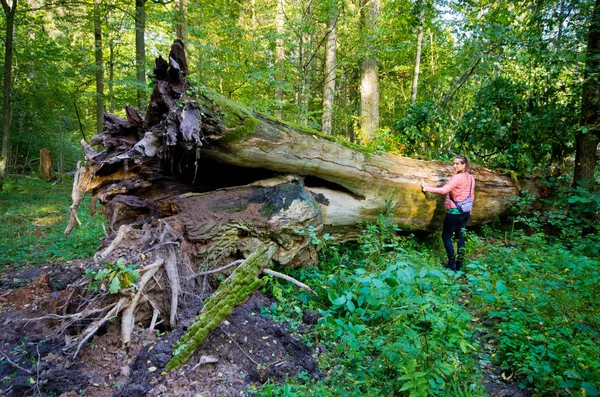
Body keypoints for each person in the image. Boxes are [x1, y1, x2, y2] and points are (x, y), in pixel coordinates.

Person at [421, 156, 475, 271]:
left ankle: (452, 264)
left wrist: (427, 188)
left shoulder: (457, 178)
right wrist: (470, 210)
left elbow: (443, 190)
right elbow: (472, 195)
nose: (454, 166)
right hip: (465, 212)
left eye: (458, 164)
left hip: (454, 212)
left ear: (464, 165)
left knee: (446, 237)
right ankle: (459, 264)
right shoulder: (471, 178)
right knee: (460, 238)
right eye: (454, 163)